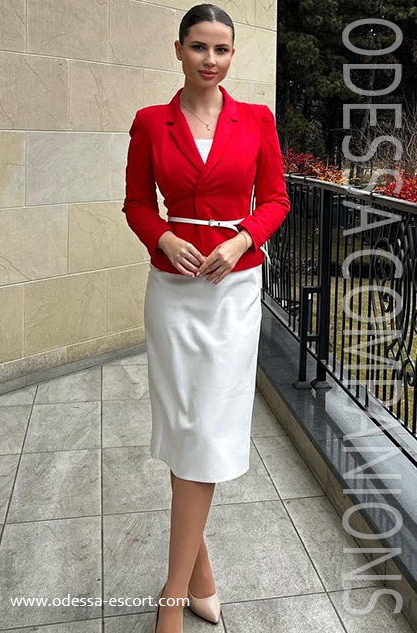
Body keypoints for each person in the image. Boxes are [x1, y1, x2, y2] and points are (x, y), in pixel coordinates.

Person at [121, 4, 291, 632]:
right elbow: (136, 204)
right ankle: (200, 578)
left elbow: (276, 199)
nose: (210, 60)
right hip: (173, 292)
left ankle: (172, 596)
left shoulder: (258, 120)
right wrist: (163, 238)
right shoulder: (151, 122)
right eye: (199, 47)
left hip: (232, 292)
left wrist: (242, 238)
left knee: (208, 430)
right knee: (183, 425)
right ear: (178, 49)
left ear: (232, 55)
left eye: (221, 49)